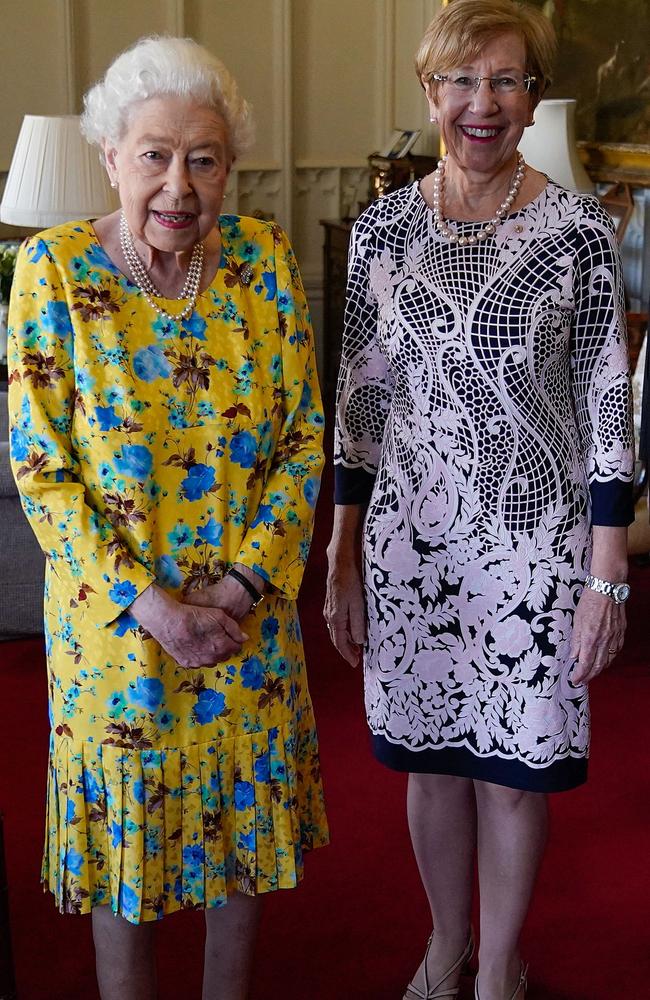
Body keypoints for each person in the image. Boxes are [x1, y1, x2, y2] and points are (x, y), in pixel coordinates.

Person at [8, 35, 328, 1000]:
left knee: (237, 858)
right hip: (121, 638)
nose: (178, 185)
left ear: (230, 165)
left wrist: (237, 588)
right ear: (111, 155)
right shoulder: (55, 274)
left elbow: (302, 443)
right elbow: (42, 470)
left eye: (204, 158)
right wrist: (154, 607)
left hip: (245, 624)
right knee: (126, 862)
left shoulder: (264, 263)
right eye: (154, 155)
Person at [324, 2, 634, 999]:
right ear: (428, 91)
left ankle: (497, 965)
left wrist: (606, 566)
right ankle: (445, 942)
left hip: (532, 545)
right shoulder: (380, 230)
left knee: (513, 767)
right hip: (410, 546)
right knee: (431, 760)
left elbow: (604, 403)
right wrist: (339, 552)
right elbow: (360, 395)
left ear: (530, 96)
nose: (481, 103)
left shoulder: (579, 230)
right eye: (460, 81)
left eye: (504, 81)